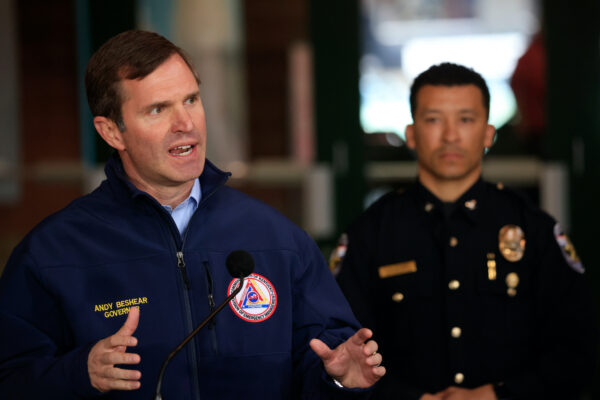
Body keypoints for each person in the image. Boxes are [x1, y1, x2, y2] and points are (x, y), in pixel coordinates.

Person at [0, 30, 385, 399]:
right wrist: (79, 374)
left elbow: (325, 359)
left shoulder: (275, 238)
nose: (185, 124)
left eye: (190, 100)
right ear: (112, 132)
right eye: (157, 109)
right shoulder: (52, 253)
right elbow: (10, 378)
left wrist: (341, 382)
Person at [336, 62, 597, 400]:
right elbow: (342, 348)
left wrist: (498, 395)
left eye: (466, 119)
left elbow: (576, 350)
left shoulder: (533, 229)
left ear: (488, 133)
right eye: (433, 120)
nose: (450, 135)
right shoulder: (371, 232)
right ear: (411, 134)